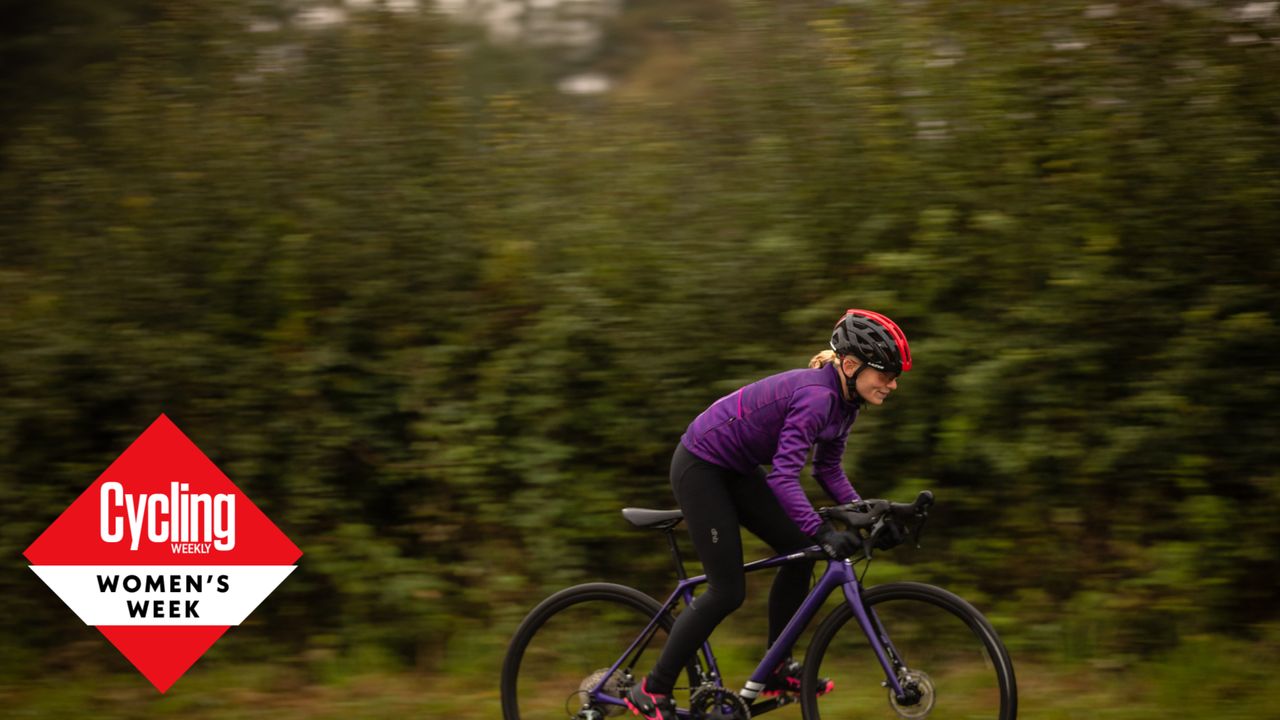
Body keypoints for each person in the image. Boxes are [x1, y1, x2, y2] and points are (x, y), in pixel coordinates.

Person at [625, 309, 913, 720]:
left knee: (801, 552)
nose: (893, 384)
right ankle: (651, 689)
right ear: (851, 366)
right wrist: (823, 528)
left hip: (737, 469)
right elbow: (783, 478)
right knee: (728, 591)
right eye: (885, 373)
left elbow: (827, 470)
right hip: (701, 466)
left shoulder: (846, 404)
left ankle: (776, 669)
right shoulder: (819, 397)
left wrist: (870, 515)